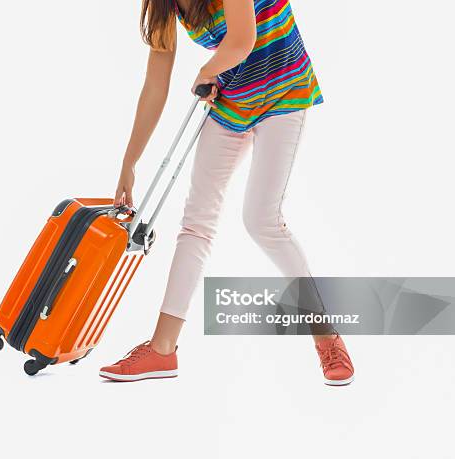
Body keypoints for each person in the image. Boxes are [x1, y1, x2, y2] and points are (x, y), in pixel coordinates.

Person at [100, 0, 354, 386]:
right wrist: (129, 162)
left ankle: (325, 335)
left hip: (284, 89)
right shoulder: (163, 6)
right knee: (196, 221)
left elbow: (242, 39)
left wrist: (207, 70)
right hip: (235, 100)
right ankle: (162, 349)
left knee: (261, 220)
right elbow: (155, 84)